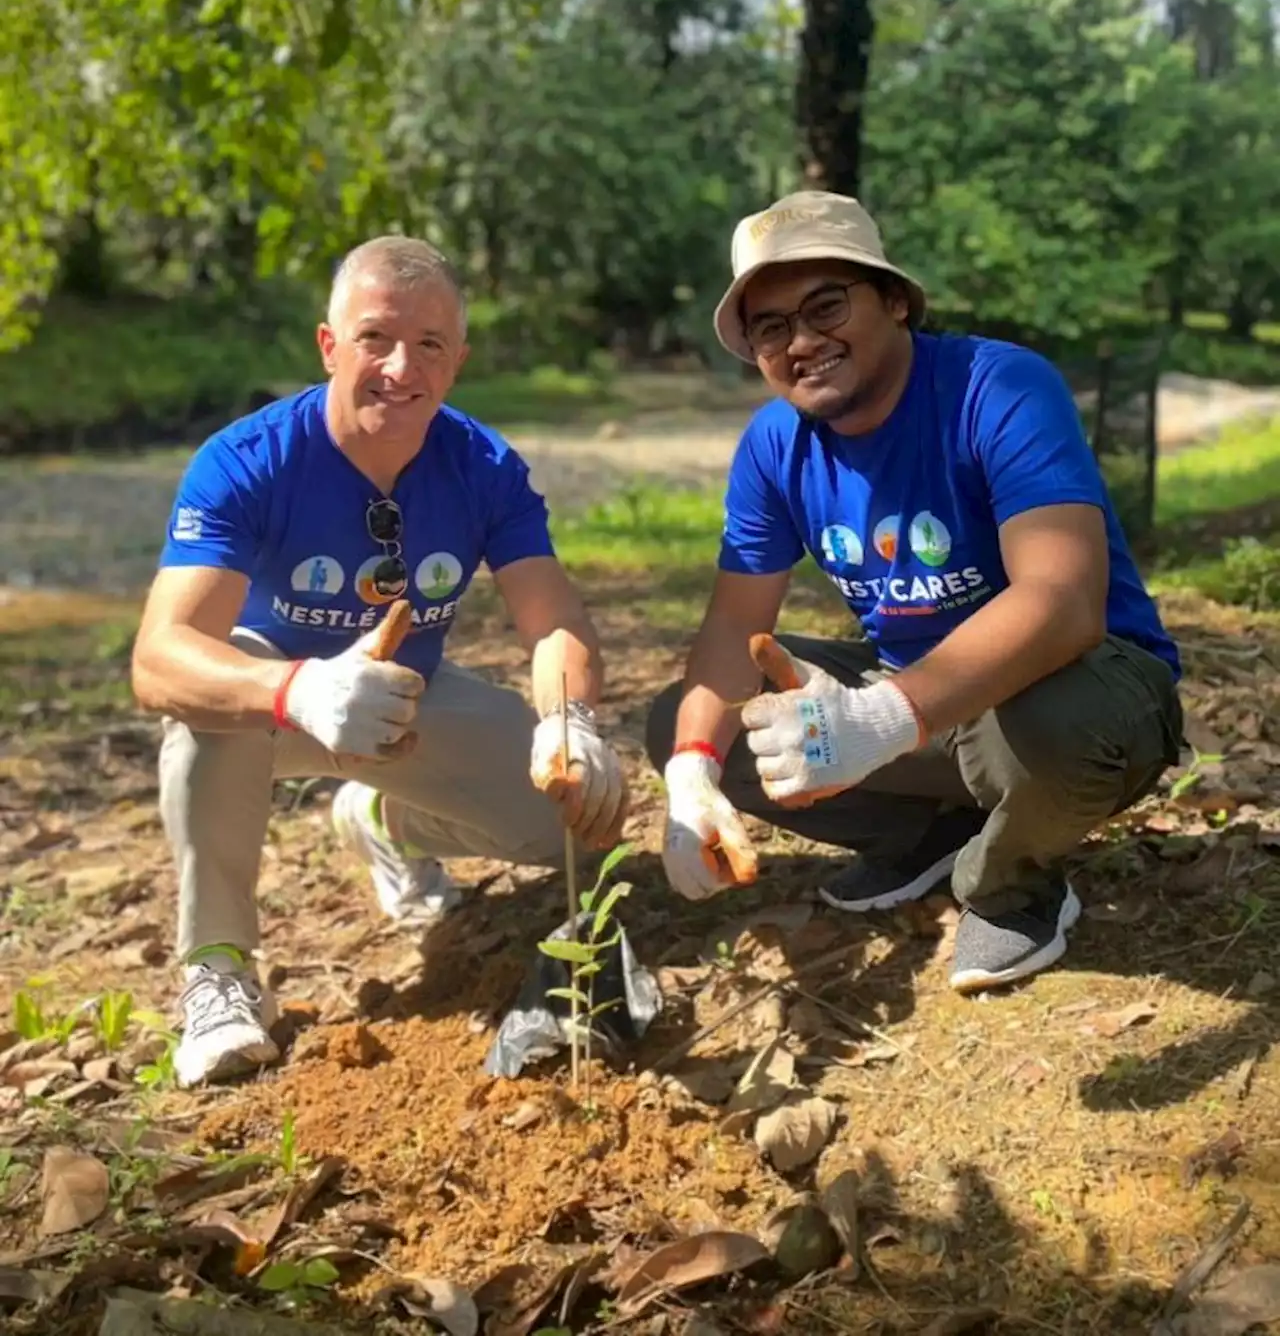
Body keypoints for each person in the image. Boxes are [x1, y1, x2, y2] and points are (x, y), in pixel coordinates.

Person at [647, 191, 1183, 991]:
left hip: (1085, 689)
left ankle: (1013, 887)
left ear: (894, 300)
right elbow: (732, 630)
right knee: (688, 720)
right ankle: (925, 836)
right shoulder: (773, 445)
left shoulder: (997, 386)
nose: (802, 341)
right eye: (770, 327)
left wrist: (879, 718)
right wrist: (691, 774)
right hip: (920, 706)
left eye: (826, 305)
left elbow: (1064, 600)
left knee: (1044, 720)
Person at [132, 237, 627, 1087]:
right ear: (330, 347)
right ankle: (217, 972)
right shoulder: (247, 461)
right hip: (270, 703)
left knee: (571, 822)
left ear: (457, 362)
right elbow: (160, 658)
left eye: (430, 345)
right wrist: (298, 687)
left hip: (406, 702)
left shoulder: (484, 468)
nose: (402, 367)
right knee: (203, 718)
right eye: (376, 339)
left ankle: (379, 824)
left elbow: (553, 620)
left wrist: (569, 720)